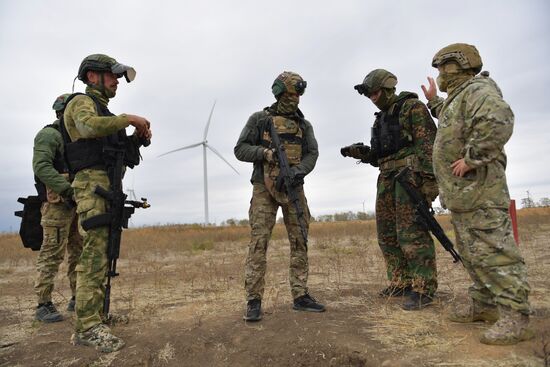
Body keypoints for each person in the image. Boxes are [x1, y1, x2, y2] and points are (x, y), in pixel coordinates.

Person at [422, 43, 533, 345]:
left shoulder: (477, 90)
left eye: (443, 68)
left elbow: (499, 121)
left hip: (482, 192)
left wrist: (472, 158)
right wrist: (433, 102)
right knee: (473, 254)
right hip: (464, 196)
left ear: (458, 66)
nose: (440, 75)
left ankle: (515, 317)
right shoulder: (459, 98)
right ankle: (485, 306)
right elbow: (451, 118)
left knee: (496, 255)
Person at [63, 54, 152, 352]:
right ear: (92, 77)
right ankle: (87, 328)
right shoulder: (81, 103)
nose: (116, 82)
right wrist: (128, 119)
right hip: (92, 187)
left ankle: (97, 315)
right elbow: (87, 128)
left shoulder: (105, 113)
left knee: (104, 252)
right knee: (93, 255)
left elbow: (118, 151)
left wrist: (138, 138)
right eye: (112, 76)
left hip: (108, 186)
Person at [345, 69, 439, 310]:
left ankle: (423, 288)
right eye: (369, 95)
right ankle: (400, 282)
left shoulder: (412, 108)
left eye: (376, 93)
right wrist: (365, 154)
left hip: (410, 179)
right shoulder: (381, 118)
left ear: (387, 88)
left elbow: (428, 146)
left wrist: (429, 183)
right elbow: (380, 156)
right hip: (386, 178)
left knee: (412, 233)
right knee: (386, 234)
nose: (373, 98)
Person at [234, 71, 325, 321]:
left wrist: (298, 171)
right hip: (263, 188)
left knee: (300, 240)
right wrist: (266, 154)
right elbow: (240, 149)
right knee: (259, 242)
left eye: (297, 95)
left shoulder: (304, 125)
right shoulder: (260, 119)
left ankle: (300, 295)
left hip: (293, 186)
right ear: (279, 93)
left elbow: (312, 154)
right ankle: (253, 300)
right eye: (290, 94)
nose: (295, 99)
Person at [33, 94, 83, 323]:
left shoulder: (76, 138)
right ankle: (43, 304)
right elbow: (42, 167)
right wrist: (68, 190)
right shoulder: (49, 135)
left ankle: (78, 297)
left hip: (77, 205)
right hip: (57, 205)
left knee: (79, 252)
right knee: (52, 253)